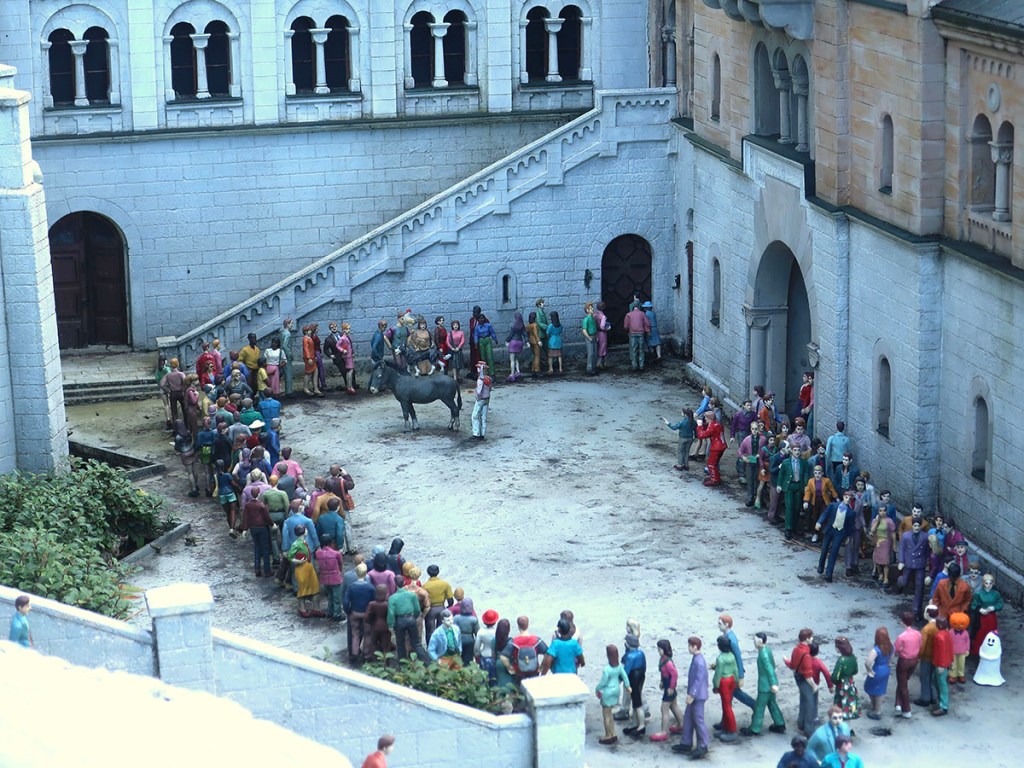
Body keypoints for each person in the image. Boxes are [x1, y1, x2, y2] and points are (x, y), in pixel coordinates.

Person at [671, 636, 710, 760]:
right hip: (693, 695)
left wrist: (692, 694)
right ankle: (686, 742)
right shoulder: (696, 658)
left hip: (697, 696)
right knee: (688, 718)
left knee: (698, 720)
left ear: (695, 647)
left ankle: (703, 744)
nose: (688, 648)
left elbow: (699, 680)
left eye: (690, 646)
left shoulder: (699, 661)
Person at [741, 631, 786, 737]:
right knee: (772, 704)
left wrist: (773, 683)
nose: (753, 642)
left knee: (759, 707)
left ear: (760, 641)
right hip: (769, 685)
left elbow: (769, 668)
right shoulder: (767, 649)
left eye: (755, 640)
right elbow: (773, 665)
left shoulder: (763, 654)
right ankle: (780, 723)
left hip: (765, 686)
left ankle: (755, 728)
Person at [815, 491, 857, 582]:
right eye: (846, 497)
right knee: (824, 548)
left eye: (850, 499)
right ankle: (821, 565)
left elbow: (850, 526)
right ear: (843, 497)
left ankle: (829, 574)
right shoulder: (833, 505)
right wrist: (819, 522)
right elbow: (825, 514)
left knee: (834, 552)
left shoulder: (851, 513)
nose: (848, 500)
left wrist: (848, 537)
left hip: (840, 532)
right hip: (830, 529)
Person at [387, 575, 429, 662]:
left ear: (395, 584)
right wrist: (414, 617)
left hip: (399, 621)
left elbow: (391, 613)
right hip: (411, 619)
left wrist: (391, 625)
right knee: (416, 643)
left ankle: (403, 664)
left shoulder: (392, 598)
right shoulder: (412, 595)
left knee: (400, 644)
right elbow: (417, 609)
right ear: (404, 583)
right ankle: (427, 662)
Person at [650, 639, 684, 742]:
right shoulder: (663, 660)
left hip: (669, 687)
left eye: (659, 649)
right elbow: (663, 673)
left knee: (664, 708)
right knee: (674, 705)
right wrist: (661, 681)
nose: (658, 651)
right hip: (666, 685)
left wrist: (671, 687)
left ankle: (663, 731)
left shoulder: (668, 662)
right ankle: (681, 725)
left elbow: (674, 674)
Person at [596, 644, 631, 745]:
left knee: (606, 714)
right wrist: (628, 686)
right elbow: (625, 677)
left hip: (607, 692)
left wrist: (597, 688)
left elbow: (603, 682)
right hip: (616, 690)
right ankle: (613, 733)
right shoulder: (619, 667)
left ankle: (608, 735)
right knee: (610, 713)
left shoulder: (607, 669)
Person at [784, 628, 816, 736]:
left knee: (803, 700)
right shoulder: (806, 655)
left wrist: (786, 661)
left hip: (798, 678)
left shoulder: (796, 650)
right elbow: (808, 675)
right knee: (810, 704)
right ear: (807, 639)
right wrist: (814, 686)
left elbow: (792, 665)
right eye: (811, 637)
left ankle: (800, 722)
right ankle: (809, 729)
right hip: (805, 680)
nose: (812, 639)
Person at [898, 519, 931, 618]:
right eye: (915, 526)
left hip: (920, 563)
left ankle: (917, 609)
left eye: (918, 526)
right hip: (908, 562)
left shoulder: (925, 537)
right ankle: (899, 582)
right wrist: (901, 561)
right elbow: (902, 548)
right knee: (904, 581)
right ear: (912, 526)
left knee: (919, 586)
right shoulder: (906, 536)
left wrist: (928, 562)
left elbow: (927, 551)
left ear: (920, 526)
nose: (916, 528)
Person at [777, 443, 810, 540]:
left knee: (797, 507)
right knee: (789, 507)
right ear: (791, 451)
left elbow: (805, 474)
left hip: (798, 485)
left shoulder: (803, 463)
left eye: (798, 450)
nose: (797, 452)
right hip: (789, 485)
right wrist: (779, 485)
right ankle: (788, 527)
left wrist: (805, 484)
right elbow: (781, 474)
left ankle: (795, 526)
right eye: (795, 450)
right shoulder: (786, 462)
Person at [711, 634, 739, 743]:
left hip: (724, 682)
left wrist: (715, 685)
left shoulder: (721, 659)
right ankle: (726, 728)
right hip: (731, 679)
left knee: (726, 707)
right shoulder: (731, 656)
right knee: (727, 705)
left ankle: (731, 730)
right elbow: (735, 669)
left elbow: (718, 674)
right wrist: (736, 680)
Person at [970, 572, 1003, 656]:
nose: (988, 585)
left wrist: (994, 608)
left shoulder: (996, 594)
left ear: (993, 583)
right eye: (986, 583)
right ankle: (978, 650)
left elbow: (1000, 604)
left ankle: (992, 649)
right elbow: (974, 605)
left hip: (991, 617)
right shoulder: (979, 594)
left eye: (990, 583)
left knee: (992, 633)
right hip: (981, 618)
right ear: (983, 583)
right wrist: (980, 609)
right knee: (981, 633)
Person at [863, 626, 892, 720]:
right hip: (885, 669)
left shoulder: (876, 650)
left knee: (869, 687)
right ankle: (877, 708)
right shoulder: (891, 646)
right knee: (881, 689)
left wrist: (869, 670)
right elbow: (890, 658)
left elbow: (868, 662)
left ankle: (875, 708)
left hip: (877, 670)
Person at [622, 634, 648, 737]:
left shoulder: (629, 656)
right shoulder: (641, 653)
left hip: (633, 678)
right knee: (635, 701)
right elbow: (644, 666)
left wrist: (622, 680)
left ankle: (641, 725)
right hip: (641, 676)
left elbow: (626, 671)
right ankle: (634, 723)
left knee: (637, 703)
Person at [315, 535, 345, 621]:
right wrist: (340, 572)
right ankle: (337, 614)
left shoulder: (318, 553)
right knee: (337, 597)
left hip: (324, 577)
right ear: (330, 543)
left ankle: (330, 612)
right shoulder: (336, 554)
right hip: (335, 577)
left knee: (330, 596)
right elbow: (340, 564)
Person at [831, 636, 860, 720]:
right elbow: (856, 670)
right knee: (850, 700)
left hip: (842, 684)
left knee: (839, 701)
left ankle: (840, 719)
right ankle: (849, 714)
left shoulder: (841, 660)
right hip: (850, 682)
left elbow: (835, 677)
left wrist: (834, 680)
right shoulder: (853, 657)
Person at [695, 411, 726, 486]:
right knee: (715, 463)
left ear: (709, 418)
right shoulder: (717, 424)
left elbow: (701, 435)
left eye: (706, 417)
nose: (705, 419)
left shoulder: (712, 426)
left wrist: (699, 426)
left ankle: (715, 479)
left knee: (711, 464)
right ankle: (714, 476)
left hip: (716, 447)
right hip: (721, 445)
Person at [931, 616, 953, 716]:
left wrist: (941, 665)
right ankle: (940, 702)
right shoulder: (947, 634)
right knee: (938, 682)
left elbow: (941, 652)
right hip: (945, 663)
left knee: (941, 684)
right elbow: (950, 649)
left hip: (940, 664)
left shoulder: (939, 636)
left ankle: (943, 706)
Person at [663, 407, 696, 471]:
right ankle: (686, 464)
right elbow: (695, 430)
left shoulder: (682, 422)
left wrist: (668, 423)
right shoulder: (693, 422)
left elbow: (674, 427)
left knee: (680, 451)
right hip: (690, 438)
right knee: (687, 451)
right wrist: (696, 437)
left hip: (682, 438)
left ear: (685, 415)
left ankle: (680, 464)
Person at [623, 301, 651, 371]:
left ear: (633, 306)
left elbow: (626, 326)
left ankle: (634, 364)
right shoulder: (643, 314)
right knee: (641, 349)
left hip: (632, 333)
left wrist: (628, 329)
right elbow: (647, 324)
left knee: (633, 349)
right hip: (641, 333)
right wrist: (647, 331)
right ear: (639, 306)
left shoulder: (628, 315)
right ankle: (641, 365)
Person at [471, 361, 492, 439]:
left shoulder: (480, 380)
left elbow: (479, 391)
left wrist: (475, 391)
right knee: (484, 417)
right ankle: (482, 434)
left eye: (478, 368)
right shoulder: (489, 378)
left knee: (475, 416)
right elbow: (490, 389)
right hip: (487, 398)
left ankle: (476, 433)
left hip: (481, 399)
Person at [581, 302, 598, 374]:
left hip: (594, 336)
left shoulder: (593, 319)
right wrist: (588, 337)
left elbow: (594, 328)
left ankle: (594, 366)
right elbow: (584, 330)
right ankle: (589, 368)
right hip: (589, 337)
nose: (592, 309)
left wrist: (596, 336)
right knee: (590, 353)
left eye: (592, 308)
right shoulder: (586, 319)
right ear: (587, 310)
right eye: (591, 308)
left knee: (595, 352)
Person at [545, 311, 564, 375]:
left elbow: (547, 333)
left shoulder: (551, 326)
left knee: (550, 356)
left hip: (552, 341)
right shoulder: (560, 325)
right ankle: (560, 368)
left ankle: (551, 368)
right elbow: (561, 330)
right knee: (559, 355)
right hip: (558, 340)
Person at [594, 301, 611, 369]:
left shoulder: (595, 314)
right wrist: (608, 328)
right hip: (602, 333)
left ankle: (598, 361)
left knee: (597, 346)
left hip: (596, 332)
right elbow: (602, 326)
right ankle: (600, 362)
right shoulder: (603, 316)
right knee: (603, 346)